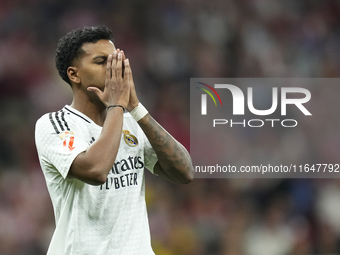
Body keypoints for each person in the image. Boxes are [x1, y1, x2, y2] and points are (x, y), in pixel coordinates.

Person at [35, 26, 194, 255]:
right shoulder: (55, 124)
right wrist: (117, 106)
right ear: (74, 74)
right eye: (101, 62)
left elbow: (184, 172)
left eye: (116, 61)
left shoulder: (131, 122)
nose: (113, 70)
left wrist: (136, 109)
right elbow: (96, 170)